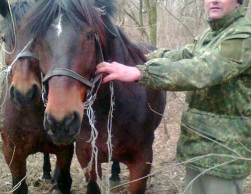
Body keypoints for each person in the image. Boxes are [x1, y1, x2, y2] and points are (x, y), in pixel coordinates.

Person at [96, 0, 251, 193]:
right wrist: (131, 55)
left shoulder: (243, 36)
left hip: (225, 153)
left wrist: (141, 73)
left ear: (238, 2)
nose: (214, 0)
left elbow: (203, 70)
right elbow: (180, 56)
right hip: (199, 146)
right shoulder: (211, 35)